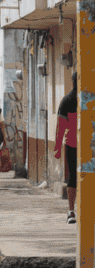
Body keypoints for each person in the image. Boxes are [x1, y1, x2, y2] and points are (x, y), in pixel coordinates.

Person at [54, 71, 78, 224]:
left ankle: (71, 211)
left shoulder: (67, 100)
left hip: (72, 144)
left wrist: (57, 147)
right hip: (90, 143)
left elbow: (60, 126)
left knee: (72, 177)